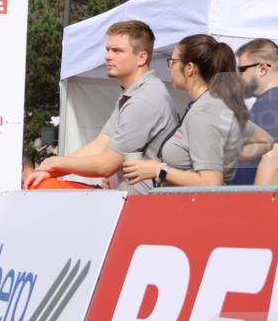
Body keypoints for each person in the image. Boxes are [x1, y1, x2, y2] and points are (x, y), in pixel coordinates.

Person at [25, 20, 179, 193]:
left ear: (141, 57)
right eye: (108, 50)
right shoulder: (134, 93)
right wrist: (50, 170)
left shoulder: (144, 99)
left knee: (42, 186)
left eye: (117, 51)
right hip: (122, 199)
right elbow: (100, 144)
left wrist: (56, 164)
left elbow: (106, 165)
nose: (108, 56)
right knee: (42, 183)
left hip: (139, 207)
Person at [123, 35, 272, 187]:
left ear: (189, 68)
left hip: (193, 207)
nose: (169, 68)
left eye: (172, 62)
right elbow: (265, 140)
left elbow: (211, 183)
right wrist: (221, 157)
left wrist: (160, 170)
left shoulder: (205, 112)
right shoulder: (213, 105)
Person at [233, 38, 278, 184]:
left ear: (262, 69)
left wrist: (257, 205)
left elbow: (273, 160)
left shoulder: (270, 103)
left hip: (255, 202)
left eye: (241, 70)